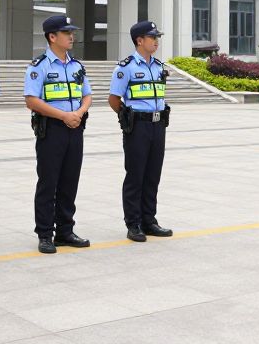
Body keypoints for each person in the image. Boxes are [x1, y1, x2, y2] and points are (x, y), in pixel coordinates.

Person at [25, 14, 93, 254]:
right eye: (66, 33)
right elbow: (31, 100)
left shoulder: (77, 66)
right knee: (48, 182)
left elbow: (87, 95)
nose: (71, 36)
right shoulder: (39, 66)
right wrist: (63, 116)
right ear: (52, 37)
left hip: (75, 128)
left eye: (72, 32)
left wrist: (79, 113)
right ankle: (45, 234)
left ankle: (65, 230)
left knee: (69, 181)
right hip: (52, 130)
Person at [108, 20, 173, 242]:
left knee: (153, 174)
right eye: (152, 37)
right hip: (137, 126)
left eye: (157, 37)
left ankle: (149, 220)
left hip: (158, 124)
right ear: (139, 40)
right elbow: (114, 99)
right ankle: (133, 223)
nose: (156, 41)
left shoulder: (158, 66)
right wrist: (128, 118)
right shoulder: (125, 68)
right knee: (135, 174)